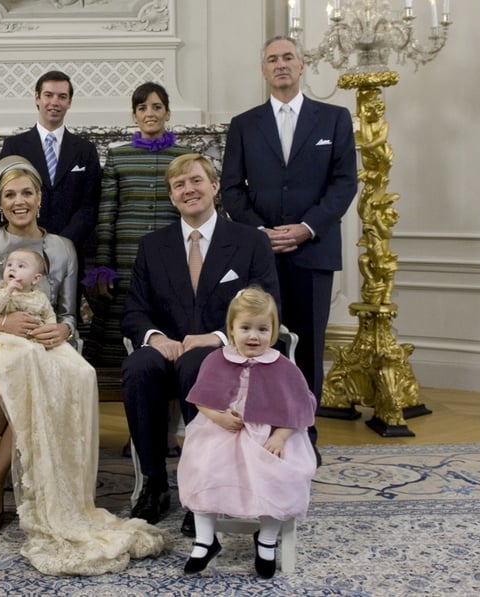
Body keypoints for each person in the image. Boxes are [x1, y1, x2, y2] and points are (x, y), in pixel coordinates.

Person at [0, 156, 163, 575]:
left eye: (27, 193)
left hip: (41, 349)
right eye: (10, 195)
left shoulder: (62, 248)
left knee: (37, 373)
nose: (20, 201)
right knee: (8, 371)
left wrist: (64, 332)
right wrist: (2, 322)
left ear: (39, 198)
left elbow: (71, 313)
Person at [121, 153, 281, 535]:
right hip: (167, 349)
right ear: (172, 196)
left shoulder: (248, 242)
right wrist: (155, 338)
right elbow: (134, 312)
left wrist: (218, 338)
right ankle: (154, 484)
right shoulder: (152, 246)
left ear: (214, 187)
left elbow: (269, 305)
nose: (188, 190)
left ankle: (201, 493)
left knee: (199, 365)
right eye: (179, 185)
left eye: (196, 181)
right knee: (138, 368)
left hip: (227, 350)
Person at [220, 35, 358, 462]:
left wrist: (306, 227)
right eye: (272, 60)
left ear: (302, 67)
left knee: (310, 349)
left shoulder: (334, 119)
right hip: (259, 255)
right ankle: (259, 436)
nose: (280, 65)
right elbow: (230, 189)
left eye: (288, 58)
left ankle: (304, 439)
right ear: (264, 70)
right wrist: (260, 232)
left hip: (312, 252)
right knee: (262, 346)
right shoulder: (244, 124)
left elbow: (344, 184)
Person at [177, 287, 317, 577]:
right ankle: (205, 539)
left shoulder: (283, 367)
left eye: (263, 329)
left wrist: (280, 436)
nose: (254, 336)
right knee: (203, 467)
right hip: (221, 430)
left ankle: (266, 539)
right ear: (231, 329)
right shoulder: (216, 359)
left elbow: (298, 408)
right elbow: (201, 399)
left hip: (269, 435)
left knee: (278, 475)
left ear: (274, 331)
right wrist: (219, 417)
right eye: (246, 328)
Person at [85, 81, 192, 368]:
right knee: (123, 311)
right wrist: (103, 265)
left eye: (157, 107)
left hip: (171, 253)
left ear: (167, 112)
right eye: (142, 108)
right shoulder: (118, 157)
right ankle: (118, 374)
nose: (150, 113)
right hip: (126, 254)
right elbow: (107, 214)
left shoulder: (183, 157)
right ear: (134, 115)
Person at [0, 70, 101, 255]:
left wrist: (62, 243)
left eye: (62, 96)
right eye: (48, 95)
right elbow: (2, 198)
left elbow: (89, 205)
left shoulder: (85, 150)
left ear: (69, 102)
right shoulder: (14, 146)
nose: (55, 102)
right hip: (22, 249)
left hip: (71, 250)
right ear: (37, 98)